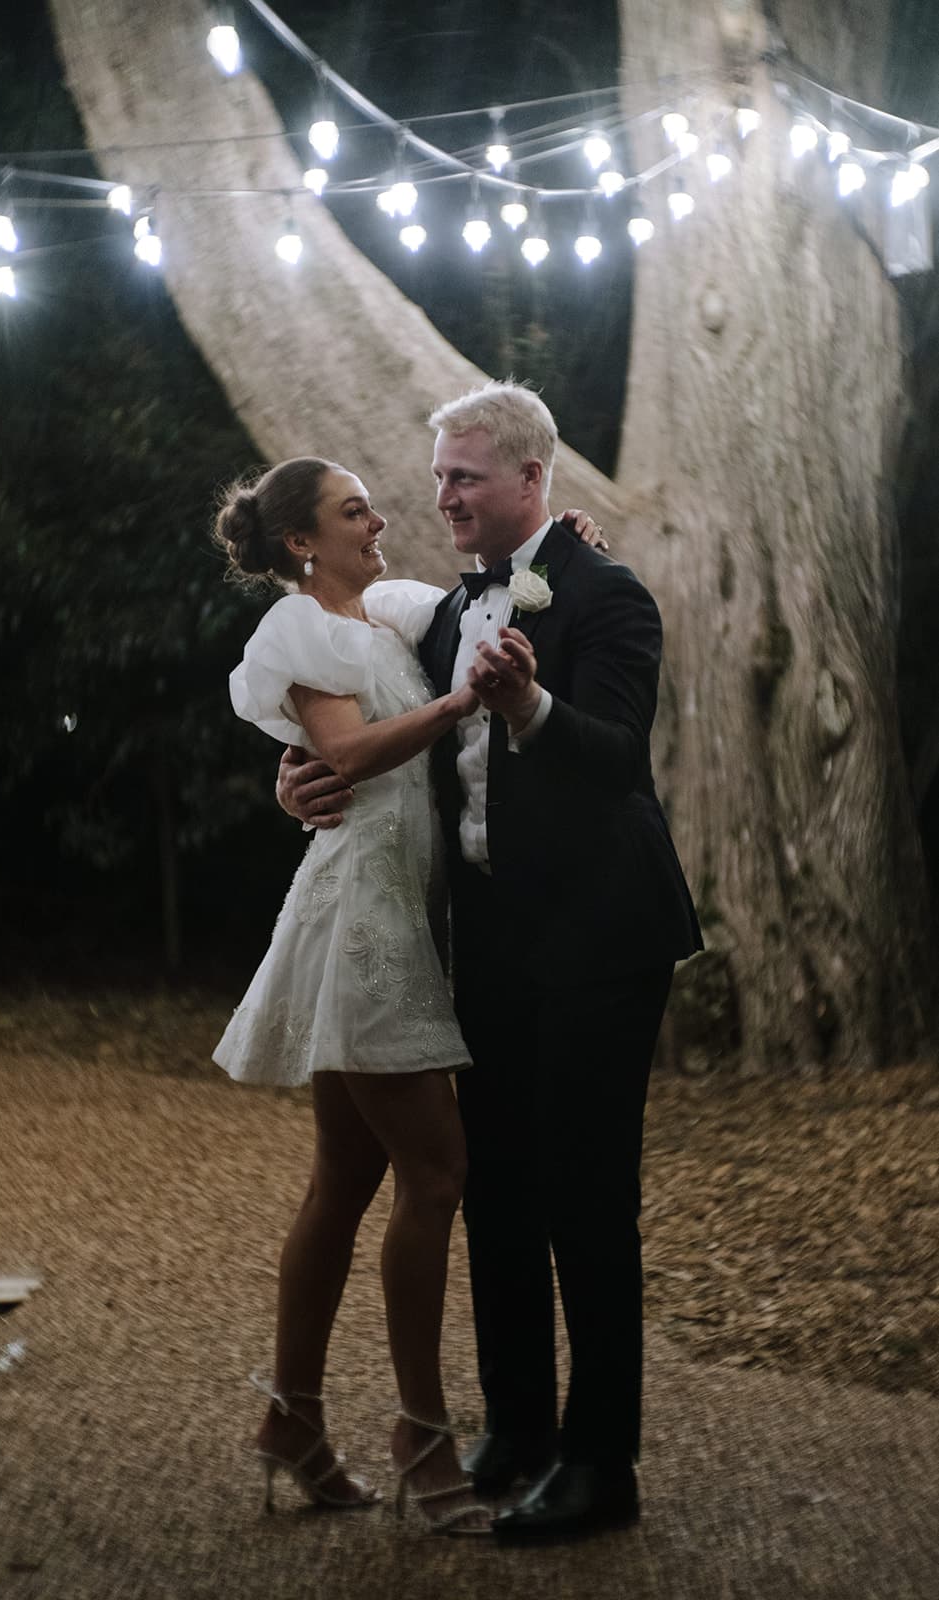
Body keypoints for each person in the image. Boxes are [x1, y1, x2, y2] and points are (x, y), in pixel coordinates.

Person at [277, 381, 703, 1544]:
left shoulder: (610, 597)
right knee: (495, 1189)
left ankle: (600, 1463)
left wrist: (527, 707)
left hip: (603, 941)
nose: (442, 494)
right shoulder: (431, 612)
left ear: (530, 479)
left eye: (464, 476)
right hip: (493, 942)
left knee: (584, 1197)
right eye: (438, 478)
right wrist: (296, 774)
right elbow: (345, 702)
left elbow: (617, 758)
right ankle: (518, 1427)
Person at [212, 456, 498, 1535]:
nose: (378, 520)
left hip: (399, 906)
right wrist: (462, 702)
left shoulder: (382, 621)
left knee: (344, 1179)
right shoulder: (302, 631)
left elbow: (480, 597)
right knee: (438, 1172)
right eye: (353, 510)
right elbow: (345, 749)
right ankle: (422, 1437)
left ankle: (292, 1420)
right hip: (365, 920)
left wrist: (565, 535)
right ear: (301, 543)